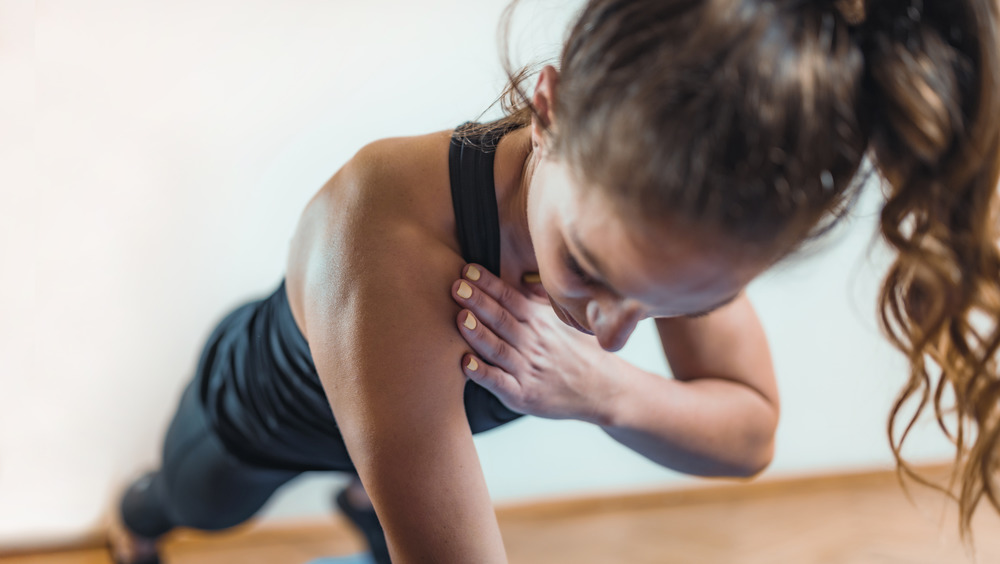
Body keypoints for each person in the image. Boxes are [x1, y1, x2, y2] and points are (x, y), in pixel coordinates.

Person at [108, 0, 1000, 562]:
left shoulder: (679, 230)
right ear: (552, 108)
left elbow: (750, 434)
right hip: (260, 416)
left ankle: (364, 491)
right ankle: (138, 519)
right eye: (591, 268)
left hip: (408, 428)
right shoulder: (381, 233)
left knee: (388, 497)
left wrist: (604, 394)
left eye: (675, 303)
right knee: (192, 505)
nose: (609, 330)